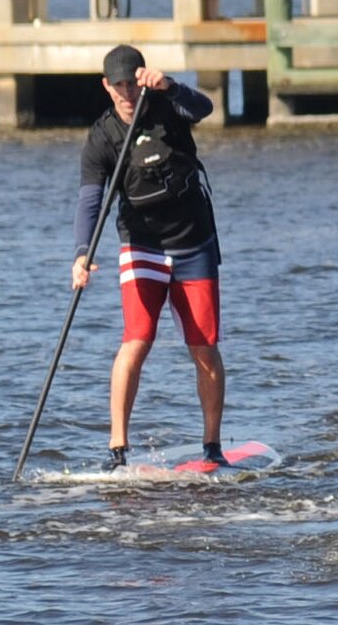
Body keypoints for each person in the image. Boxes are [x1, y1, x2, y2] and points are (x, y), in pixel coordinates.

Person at [72, 44, 227, 470]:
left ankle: (212, 448)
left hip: (194, 240)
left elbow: (205, 107)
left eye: (131, 83)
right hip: (141, 244)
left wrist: (171, 86)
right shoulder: (102, 136)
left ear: (142, 79)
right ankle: (117, 451)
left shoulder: (168, 106)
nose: (126, 92)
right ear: (106, 86)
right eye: (117, 85)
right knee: (136, 339)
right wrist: (82, 254)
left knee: (204, 347)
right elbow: (90, 200)